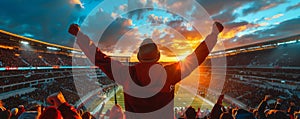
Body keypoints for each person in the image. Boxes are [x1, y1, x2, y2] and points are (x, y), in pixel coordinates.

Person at [68, 22, 224, 118]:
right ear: (157, 57)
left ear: (139, 57)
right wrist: (213, 35)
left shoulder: (125, 73)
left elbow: (99, 58)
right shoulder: (170, 74)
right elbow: (196, 57)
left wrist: (80, 36)